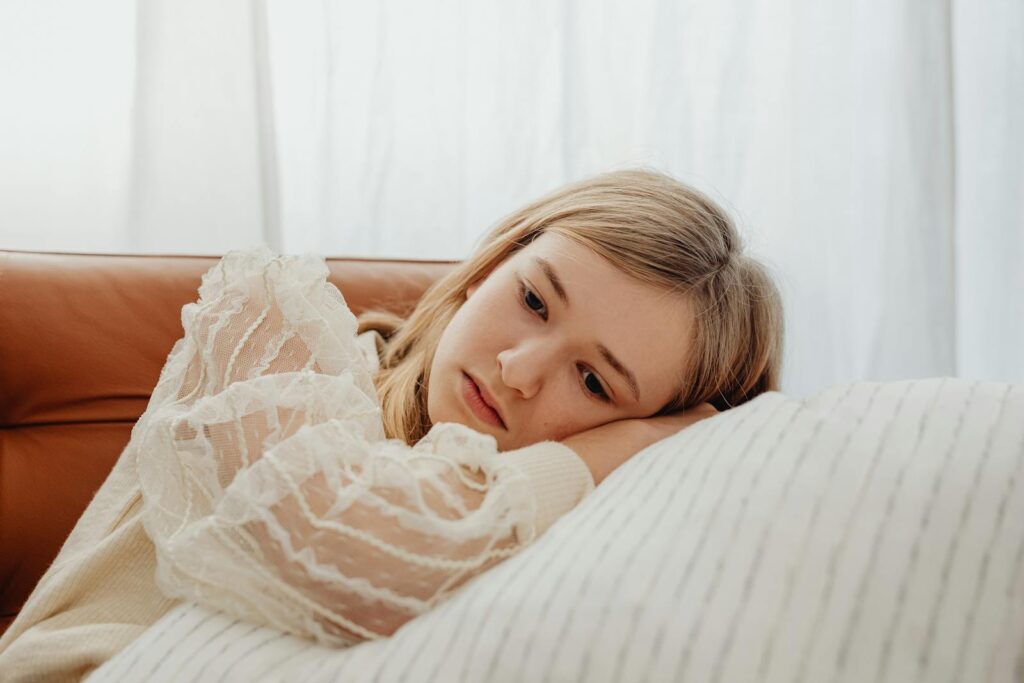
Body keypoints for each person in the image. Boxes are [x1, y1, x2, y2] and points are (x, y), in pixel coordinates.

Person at [0, 167, 783, 681]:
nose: (517, 368)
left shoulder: (560, 541)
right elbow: (336, 543)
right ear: (485, 271)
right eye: (534, 300)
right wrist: (620, 446)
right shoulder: (275, 333)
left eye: (591, 379)